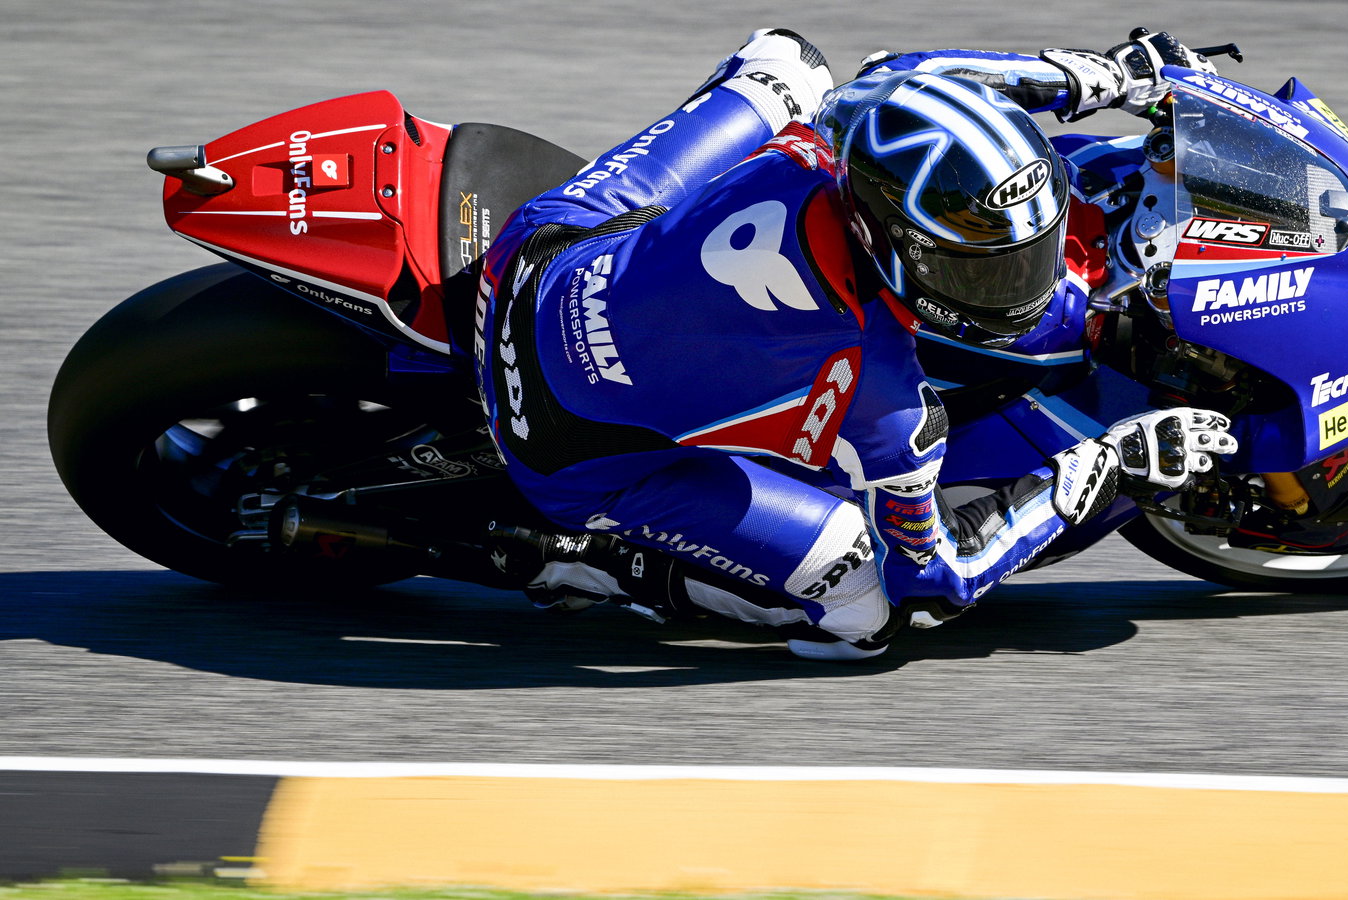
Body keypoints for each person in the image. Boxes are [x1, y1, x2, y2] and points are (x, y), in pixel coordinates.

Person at [474, 28, 1239, 660]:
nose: (1019, 287)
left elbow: (915, 73)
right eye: (986, 270)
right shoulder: (888, 404)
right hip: (561, 451)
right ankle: (603, 566)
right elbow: (937, 578)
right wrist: (1099, 470)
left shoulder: (832, 135)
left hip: (540, 252)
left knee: (789, 62)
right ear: (893, 241)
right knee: (866, 609)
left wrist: (1101, 77)